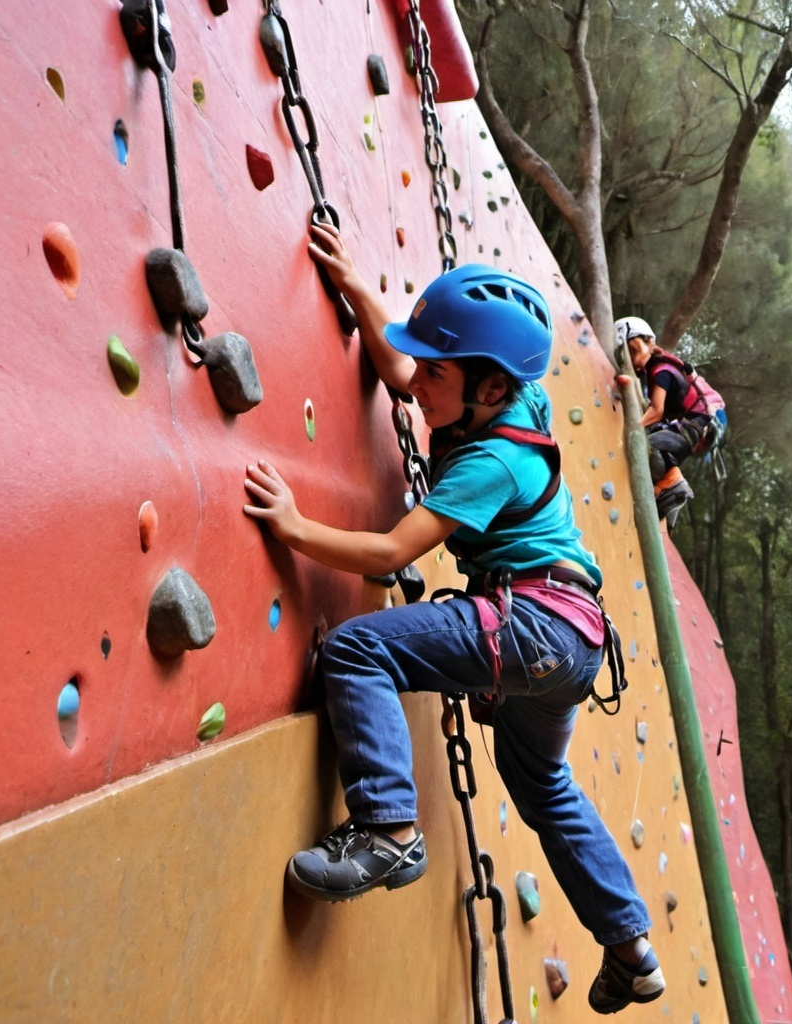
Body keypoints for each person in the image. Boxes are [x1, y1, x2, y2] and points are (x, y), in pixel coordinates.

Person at [242, 222, 665, 1015]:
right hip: (571, 640)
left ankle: (388, 831)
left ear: (489, 390)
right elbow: (403, 369)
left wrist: (295, 527)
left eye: (437, 372)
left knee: (361, 651)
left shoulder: (489, 461)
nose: (418, 385)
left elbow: (391, 550)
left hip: (535, 622)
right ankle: (630, 945)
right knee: (539, 782)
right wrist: (365, 296)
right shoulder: (503, 394)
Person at [614, 315, 722, 519]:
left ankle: (672, 486)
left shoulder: (661, 371)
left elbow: (656, 411)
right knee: (649, 439)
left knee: (647, 445)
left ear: (648, 342)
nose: (633, 360)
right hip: (688, 426)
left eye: (633, 350)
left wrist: (630, 429)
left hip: (695, 426)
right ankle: (666, 487)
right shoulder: (656, 369)